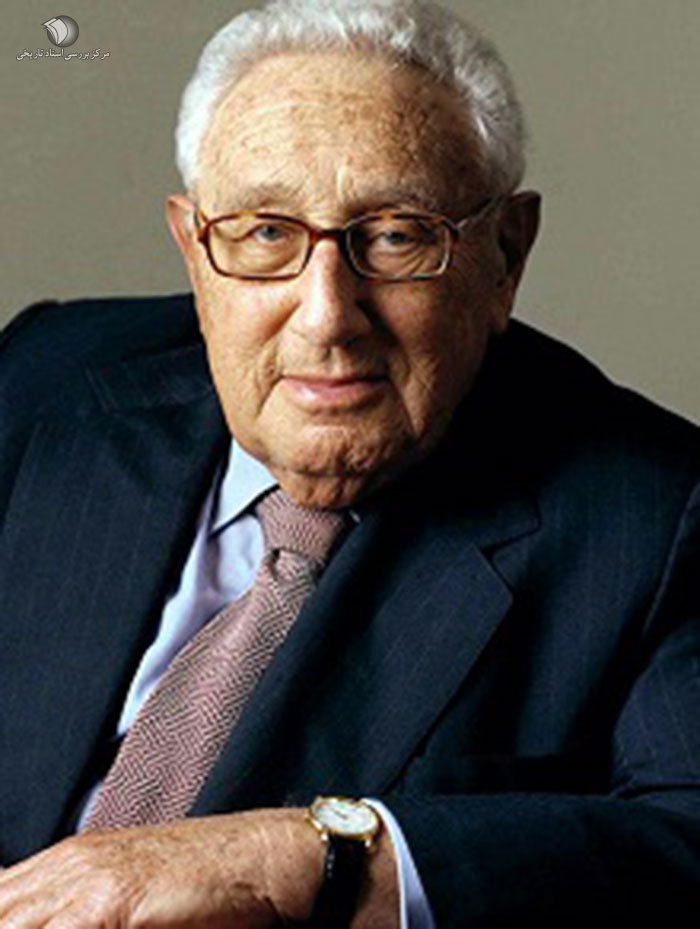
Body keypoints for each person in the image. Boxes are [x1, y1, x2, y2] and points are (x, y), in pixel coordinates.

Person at [1, 0, 699, 925]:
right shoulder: (41, 379)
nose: (327, 315)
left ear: (504, 256)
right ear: (194, 249)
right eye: (265, 233)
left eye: (396, 235)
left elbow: (685, 845)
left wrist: (305, 858)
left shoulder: (659, 519)